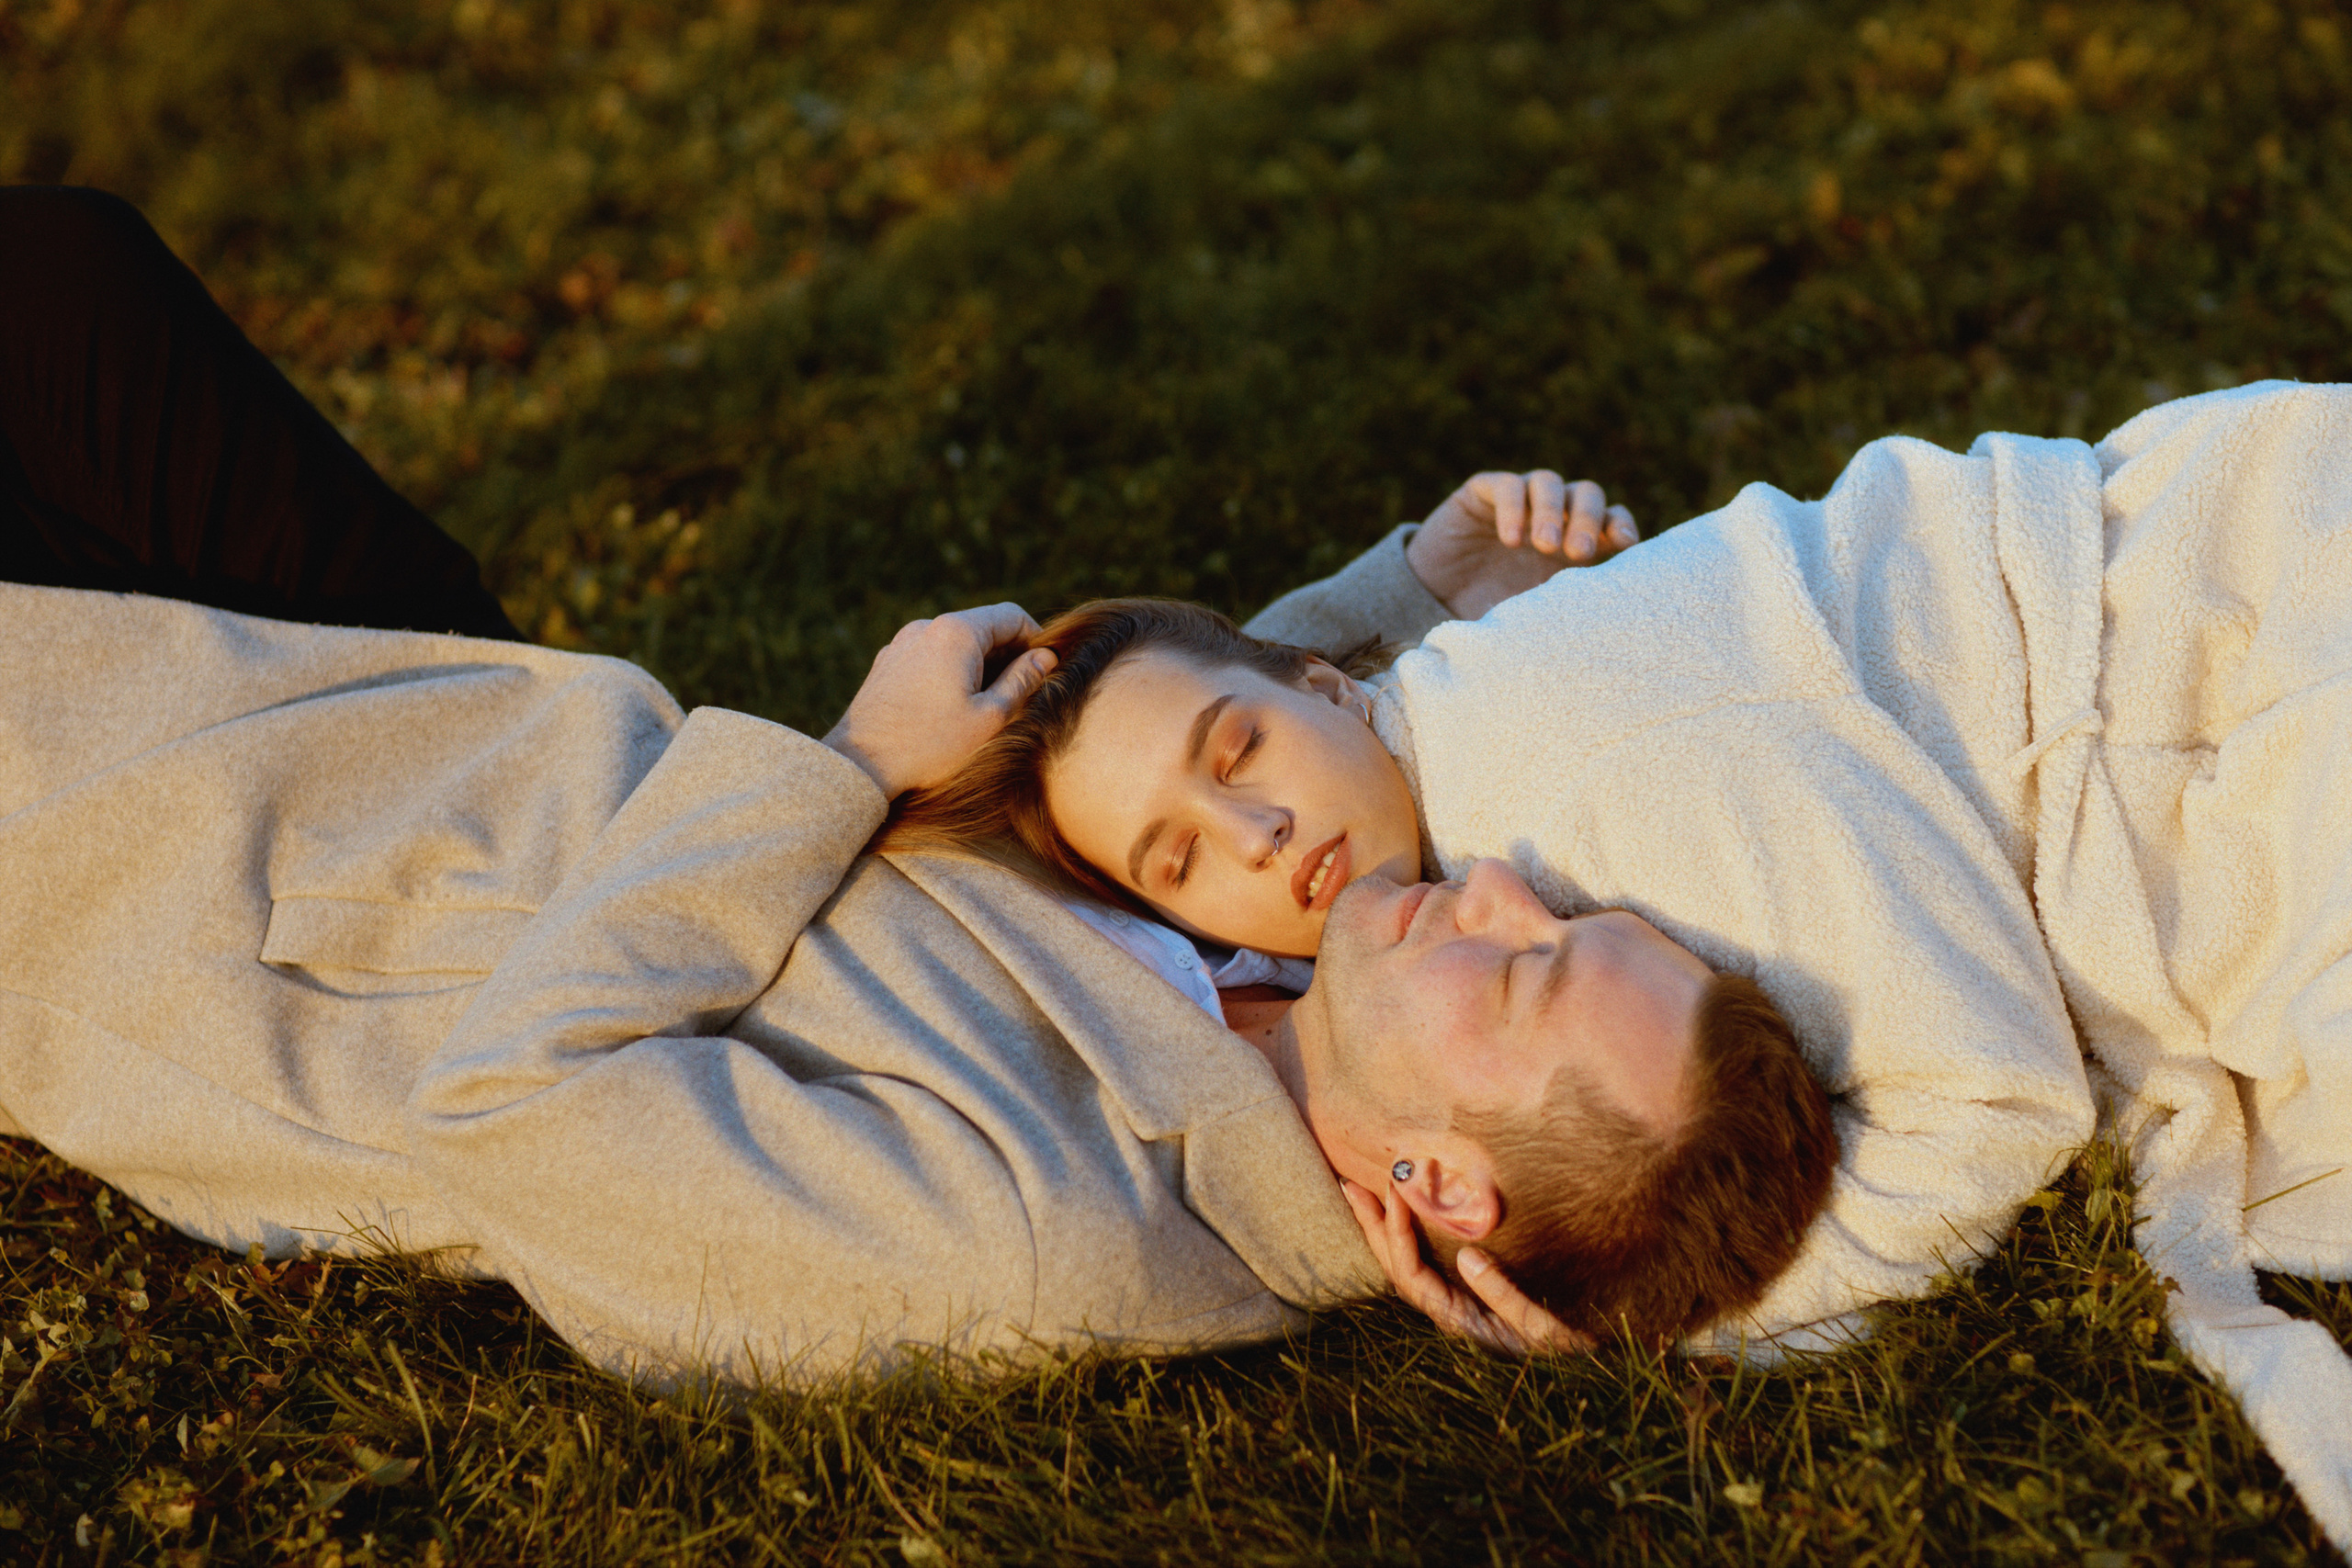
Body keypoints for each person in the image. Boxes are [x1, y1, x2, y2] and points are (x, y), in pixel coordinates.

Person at [0, 184, 1648, 1387]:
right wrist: (1399, 610)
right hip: (468, 718)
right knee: (63, 284)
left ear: (1438, 1185)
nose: (1508, 895)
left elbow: (508, 1118)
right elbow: (1190, 784)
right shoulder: (1322, 987)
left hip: (221, 893)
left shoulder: (1039, 1238)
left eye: (1531, 965)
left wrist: (852, 765)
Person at [908, 378, 2352, 1547]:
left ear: (1337, 682)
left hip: (2224, 644)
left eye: (1244, 751)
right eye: (1181, 859)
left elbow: (2002, 1096)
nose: (1262, 832)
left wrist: (1706, 1317)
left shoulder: (1564, 774)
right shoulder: (1439, 816)